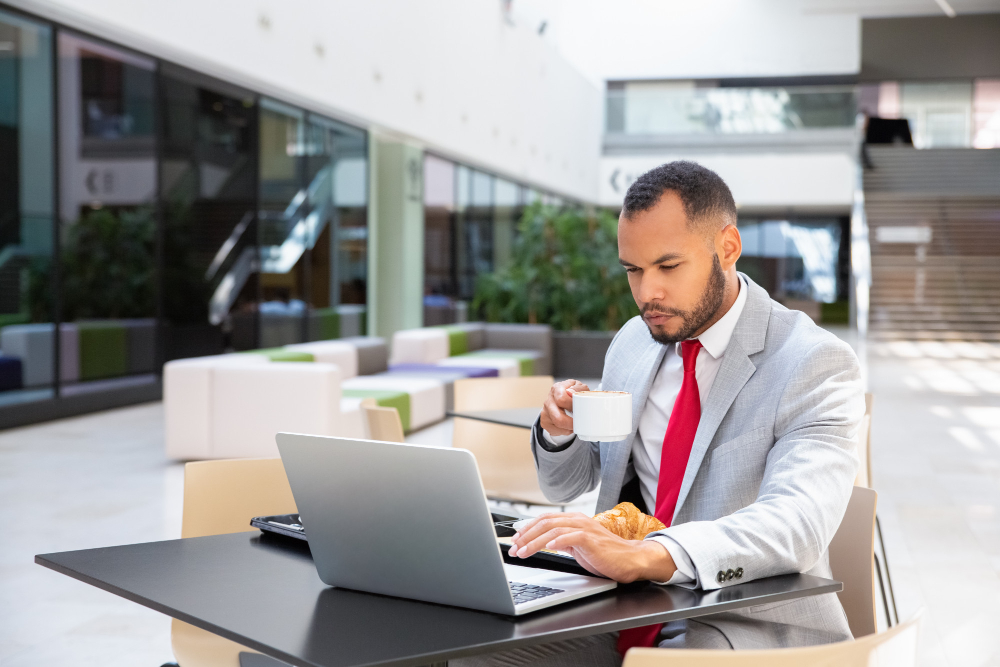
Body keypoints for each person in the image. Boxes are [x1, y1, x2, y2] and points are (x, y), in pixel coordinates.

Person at [457, 161, 863, 666]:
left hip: (739, 620)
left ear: (727, 247)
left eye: (668, 267)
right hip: (616, 606)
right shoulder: (633, 342)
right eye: (633, 270)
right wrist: (560, 434)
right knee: (472, 655)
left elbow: (796, 523)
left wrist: (651, 555)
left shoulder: (812, 361)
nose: (647, 292)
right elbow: (569, 486)